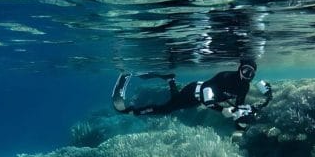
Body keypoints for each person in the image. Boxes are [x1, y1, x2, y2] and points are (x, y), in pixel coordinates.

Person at [113, 59, 273, 134]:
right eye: (245, 71)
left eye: (251, 73)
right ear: (239, 69)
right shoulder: (225, 77)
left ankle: (170, 80)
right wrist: (222, 110)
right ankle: (132, 110)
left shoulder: (244, 87)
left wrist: (242, 122)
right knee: (166, 109)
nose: (247, 76)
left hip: (198, 101)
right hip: (193, 92)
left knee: (176, 103)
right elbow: (207, 97)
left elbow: (238, 106)